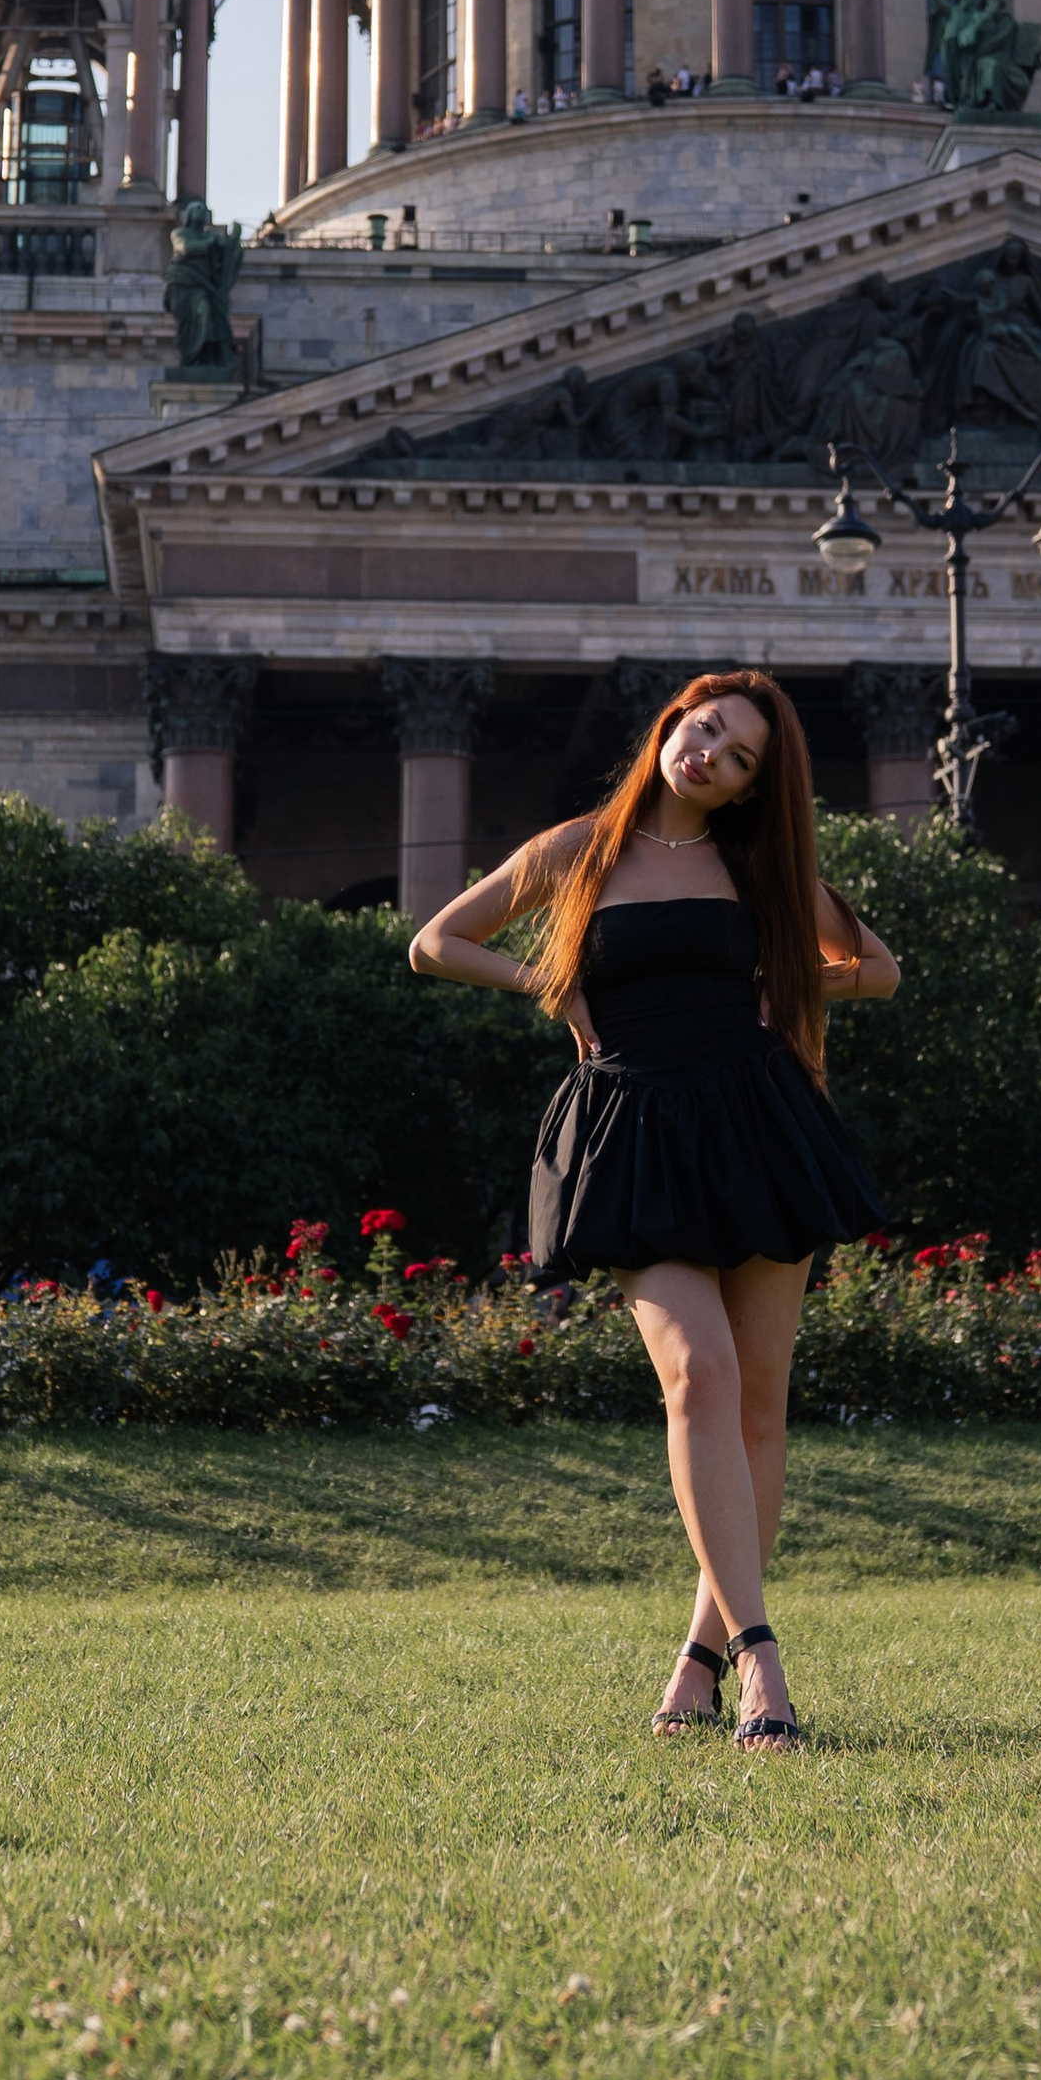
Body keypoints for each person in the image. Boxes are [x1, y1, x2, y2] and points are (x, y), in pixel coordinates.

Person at [410, 670, 899, 1748]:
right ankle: (763, 1660)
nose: (710, 759)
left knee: (758, 1407)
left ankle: (696, 1662)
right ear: (674, 719)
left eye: (738, 761)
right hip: (631, 1134)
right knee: (698, 1374)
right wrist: (549, 984)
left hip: (758, 1125)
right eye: (707, 731)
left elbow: (880, 970)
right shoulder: (578, 847)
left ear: (745, 789)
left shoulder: (757, 865)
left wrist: (796, 989)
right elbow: (435, 941)